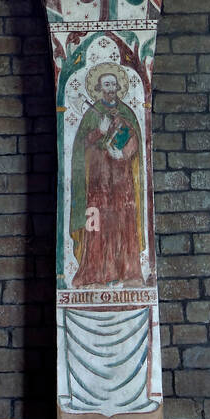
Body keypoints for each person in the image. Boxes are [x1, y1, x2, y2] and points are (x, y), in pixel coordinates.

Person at [69, 65, 145, 287]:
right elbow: (80, 147)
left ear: (119, 87)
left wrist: (122, 152)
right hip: (98, 179)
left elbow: (135, 142)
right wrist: (99, 132)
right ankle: (97, 274)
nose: (111, 89)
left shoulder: (127, 114)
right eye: (106, 85)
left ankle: (126, 273)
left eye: (113, 84)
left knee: (123, 219)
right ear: (99, 88)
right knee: (98, 223)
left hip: (122, 181)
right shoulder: (91, 115)